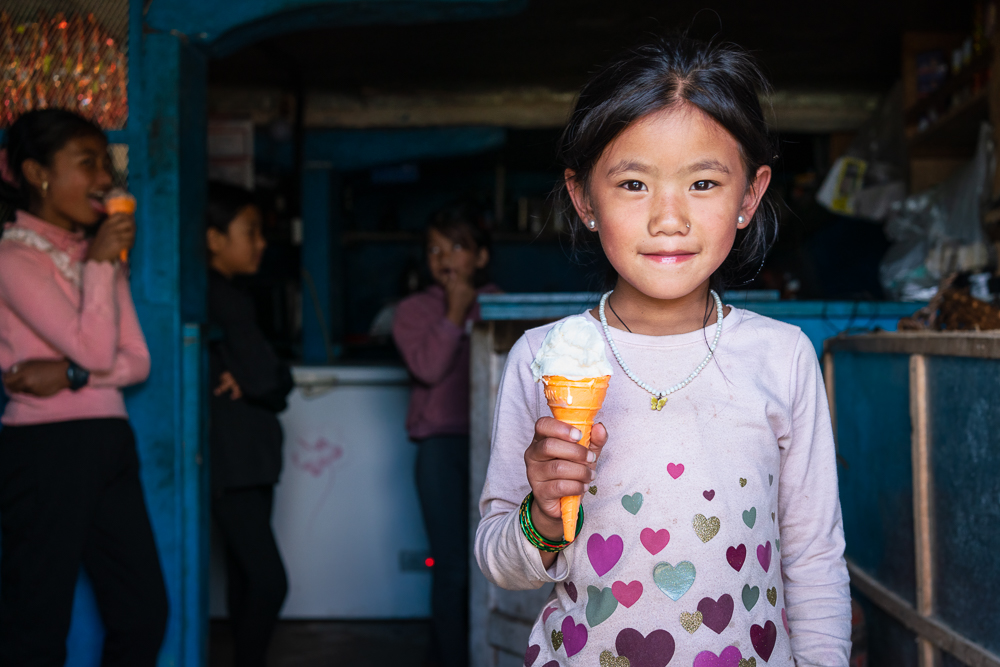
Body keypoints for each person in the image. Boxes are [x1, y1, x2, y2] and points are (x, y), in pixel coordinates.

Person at [475, 36, 851, 666]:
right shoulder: (541, 359)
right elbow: (501, 564)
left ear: (749, 197)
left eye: (703, 182)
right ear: (584, 198)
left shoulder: (782, 357)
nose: (668, 218)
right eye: (633, 185)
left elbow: (814, 559)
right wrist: (541, 514)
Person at [0, 109, 167, 664]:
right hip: (46, 448)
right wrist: (100, 265)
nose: (105, 179)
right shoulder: (12, 259)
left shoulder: (95, 256)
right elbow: (98, 351)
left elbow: (137, 361)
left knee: (143, 613)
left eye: (107, 163)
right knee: (38, 622)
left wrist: (68, 375)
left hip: (108, 442)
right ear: (37, 172)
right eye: (88, 162)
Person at [393, 208, 499, 667]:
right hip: (439, 449)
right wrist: (455, 312)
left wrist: (471, 305)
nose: (444, 257)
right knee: (452, 566)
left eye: (456, 246)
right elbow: (428, 368)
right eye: (434, 249)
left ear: (480, 257)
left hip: (492, 449)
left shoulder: (498, 305)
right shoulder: (412, 310)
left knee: (494, 562)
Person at [206, 181, 292, 667]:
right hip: (234, 461)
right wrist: (266, 380)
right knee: (266, 581)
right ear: (214, 239)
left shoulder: (229, 296)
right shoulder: (224, 300)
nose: (260, 243)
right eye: (250, 232)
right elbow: (272, 379)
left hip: (246, 462)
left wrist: (266, 380)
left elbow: (273, 383)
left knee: (244, 580)